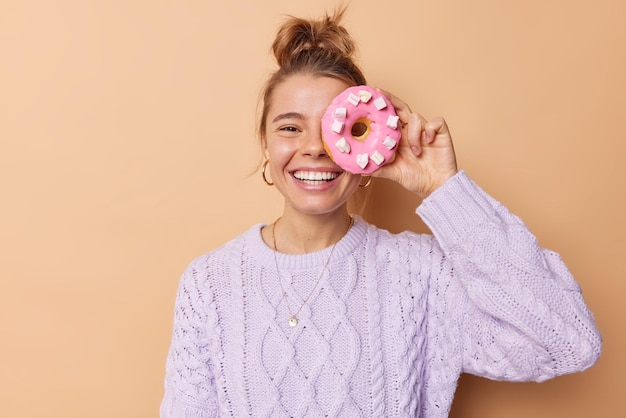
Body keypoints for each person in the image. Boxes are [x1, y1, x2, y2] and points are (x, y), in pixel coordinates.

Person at [160, 8, 601, 417]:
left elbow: (569, 341)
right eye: (290, 127)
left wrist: (444, 188)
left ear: (369, 144)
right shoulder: (209, 284)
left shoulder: (419, 275)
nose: (314, 147)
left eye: (339, 130)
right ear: (265, 146)